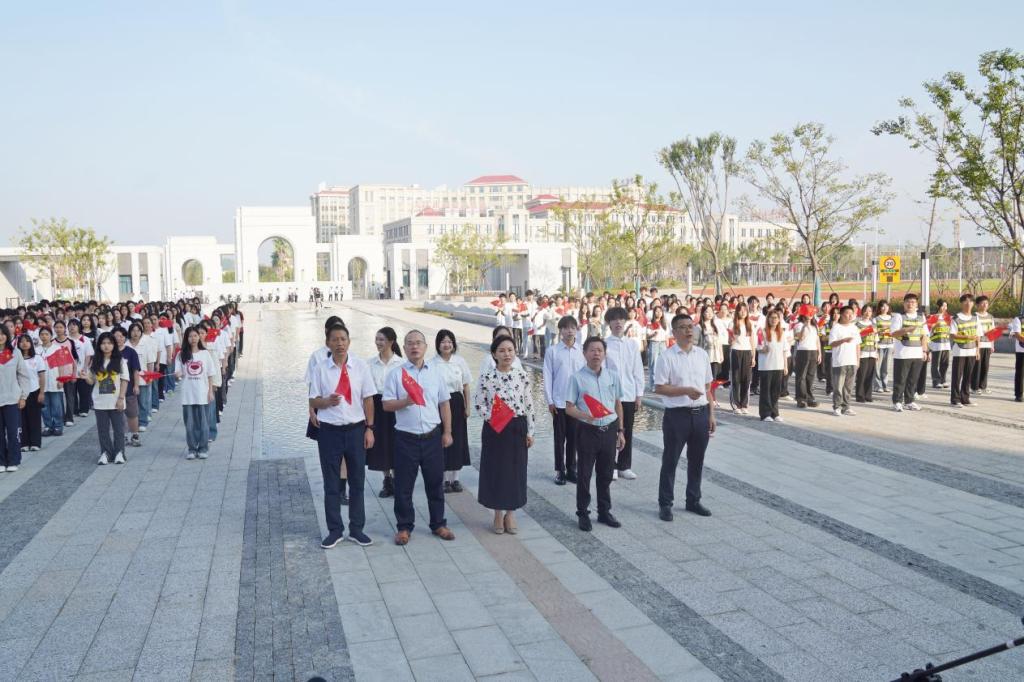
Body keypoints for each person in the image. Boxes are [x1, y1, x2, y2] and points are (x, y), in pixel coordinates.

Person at [382, 330, 455, 545]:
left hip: (432, 437)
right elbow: (386, 405)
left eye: (418, 343)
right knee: (404, 486)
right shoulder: (396, 374)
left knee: (435, 483)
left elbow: (444, 403)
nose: (414, 347)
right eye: (410, 343)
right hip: (406, 438)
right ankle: (404, 527)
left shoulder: (435, 373)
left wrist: (447, 432)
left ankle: (438, 523)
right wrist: (405, 402)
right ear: (404, 348)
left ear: (425, 347)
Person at [309, 323, 376, 549]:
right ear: (327, 343)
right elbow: (313, 400)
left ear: (349, 341)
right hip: (329, 432)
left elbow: (368, 398)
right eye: (335, 339)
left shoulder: (360, 366)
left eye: (343, 339)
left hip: (356, 430)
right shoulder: (320, 369)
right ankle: (334, 530)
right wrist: (326, 402)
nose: (340, 343)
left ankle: (357, 529)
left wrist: (370, 428)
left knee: (357, 481)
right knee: (331, 483)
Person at [654, 314, 715, 521]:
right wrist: (685, 391)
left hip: (701, 414)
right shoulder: (666, 357)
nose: (689, 331)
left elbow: (707, 388)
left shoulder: (702, 355)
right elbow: (659, 388)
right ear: (674, 332)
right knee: (670, 460)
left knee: (697, 460)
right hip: (677, 416)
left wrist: (711, 415)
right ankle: (665, 503)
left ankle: (693, 500)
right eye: (683, 327)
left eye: (691, 326)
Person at [474, 335, 535, 534]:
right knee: (496, 470)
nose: (506, 354)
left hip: (517, 427)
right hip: (495, 428)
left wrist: (531, 431)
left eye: (510, 350)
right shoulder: (487, 377)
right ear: (494, 354)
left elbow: (529, 404)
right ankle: (498, 513)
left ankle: (511, 513)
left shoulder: (522, 375)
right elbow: (479, 404)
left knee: (516, 471)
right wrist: (493, 417)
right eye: (501, 350)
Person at [565, 337, 625, 531]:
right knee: (584, 474)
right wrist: (585, 416)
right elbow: (569, 408)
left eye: (600, 350)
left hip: (609, 430)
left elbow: (618, 404)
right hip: (587, 431)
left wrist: (621, 431)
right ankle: (583, 513)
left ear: (605, 354)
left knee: (606, 474)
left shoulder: (613, 376)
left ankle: (604, 511)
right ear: (584, 353)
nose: (596, 353)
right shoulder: (576, 378)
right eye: (592, 350)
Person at [542, 316, 585, 485]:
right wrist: (549, 400)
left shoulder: (581, 351)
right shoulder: (552, 351)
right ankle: (560, 470)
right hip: (559, 402)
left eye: (572, 327)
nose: (569, 331)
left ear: (576, 330)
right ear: (560, 331)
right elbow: (547, 376)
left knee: (574, 438)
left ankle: (571, 469)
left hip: (575, 403)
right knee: (559, 439)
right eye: (566, 328)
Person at [603, 307, 643, 481]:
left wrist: (639, 394)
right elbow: (602, 370)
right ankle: (610, 465)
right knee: (611, 430)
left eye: (621, 319)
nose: (618, 322)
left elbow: (637, 370)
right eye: (614, 319)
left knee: (627, 429)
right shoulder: (604, 344)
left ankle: (624, 466)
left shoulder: (632, 344)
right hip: (610, 395)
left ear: (626, 322)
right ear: (609, 323)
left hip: (628, 393)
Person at [434, 330, 472, 493]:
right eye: (443, 341)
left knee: (458, 439)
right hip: (440, 403)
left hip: (457, 402)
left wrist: (467, 406)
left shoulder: (460, 361)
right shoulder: (432, 363)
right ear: (438, 344)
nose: (447, 344)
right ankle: (444, 480)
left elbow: (466, 386)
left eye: (449, 341)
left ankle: (455, 478)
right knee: (442, 439)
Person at [82, 332, 129, 465]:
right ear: (99, 346)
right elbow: (92, 381)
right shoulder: (96, 361)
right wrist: (86, 378)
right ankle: (106, 453)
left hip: (116, 400)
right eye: (103, 343)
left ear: (114, 345)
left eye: (109, 343)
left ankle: (119, 453)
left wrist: (121, 398)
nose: (106, 346)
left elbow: (125, 380)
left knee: (118, 429)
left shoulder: (120, 361)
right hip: (100, 401)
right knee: (103, 429)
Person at [367, 327, 403, 498]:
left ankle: (397, 480)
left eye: (381, 339)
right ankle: (386, 480)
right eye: (376, 339)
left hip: (396, 406)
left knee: (396, 442)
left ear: (391, 341)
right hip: (377, 406)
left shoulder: (402, 363)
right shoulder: (370, 363)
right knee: (381, 444)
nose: (378, 343)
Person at [174, 326, 215, 459]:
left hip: (202, 393)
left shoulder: (205, 354)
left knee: (204, 423)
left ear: (199, 337)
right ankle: (192, 449)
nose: (193, 338)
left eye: (195, 336)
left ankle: (203, 448)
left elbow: (210, 374)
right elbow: (178, 373)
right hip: (188, 394)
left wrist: (210, 391)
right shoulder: (181, 355)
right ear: (186, 338)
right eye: (190, 336)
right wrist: (177, 375)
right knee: (190, 424)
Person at [0, 327, 33, 472]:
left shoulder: (15, 353)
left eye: (2, 334)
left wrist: (23, 396)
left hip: (12, 398)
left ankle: (14, 460)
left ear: (7, 336)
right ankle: (1, 461)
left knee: (13, 432)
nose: (0, 337)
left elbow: (23, 376)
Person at [890, 293, 930, 412]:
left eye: (913, 302)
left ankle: (909, 401)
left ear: (916, 304)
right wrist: (907, 329)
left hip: (917, 353)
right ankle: (897, 401)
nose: (910, 304)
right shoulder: (899, 317)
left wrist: (925, 351)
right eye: (907, 301)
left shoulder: (921, 317)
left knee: (913, 380)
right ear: (904, 304)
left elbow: (924, 335)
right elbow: (894, 333)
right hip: (902, 354)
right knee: (900, 380)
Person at [756, 309, 790, 422]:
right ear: (768, 319)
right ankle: (765, 414)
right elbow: (758, 347)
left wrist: (785, 366)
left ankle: (775, 413)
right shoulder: (762, 332)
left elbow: (785, 350)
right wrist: (763, 349)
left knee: (776, 391)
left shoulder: (781, 333)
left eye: (776, 318)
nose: (774, 320)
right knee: (765, 390)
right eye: (771, 318)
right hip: (766, 366)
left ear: (779, 320)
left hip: (778, 365)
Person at [950, 293, 981, 408]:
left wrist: (977, 350)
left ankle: (965, 398)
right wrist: (966, 337)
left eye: (971, 301)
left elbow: (978, 335)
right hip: (959, 351)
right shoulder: (956, 318)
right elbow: (952, 335)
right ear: (961, 303)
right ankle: (955, 399)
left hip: (972, 351)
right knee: (957, 376)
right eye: (965, 301)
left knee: (968, 376)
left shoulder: (975, 318)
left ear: (973, 304)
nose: (968, 303)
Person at [829, 306, 860, 416]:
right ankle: (837, 407)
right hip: (840, 361)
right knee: (838, 386)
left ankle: (846, 407)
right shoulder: (836, 328)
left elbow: (858, 345)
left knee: (848, 387)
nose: (850, 315)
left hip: (852, 361)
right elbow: (832, 344)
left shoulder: (854, 328)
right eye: (847, 313)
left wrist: (858, 360)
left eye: (852, 313)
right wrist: (843, 340)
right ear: (841, 314)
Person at [17, 334, 46, 453]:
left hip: (34, 391)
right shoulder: (16, 358)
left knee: (34, 418)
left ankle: (35, 442)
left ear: (31, 343)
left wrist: (42, 392)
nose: (24, 343)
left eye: (27, 341)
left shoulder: (37, 358)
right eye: (22, 341)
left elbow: (42, 376)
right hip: (20, 393)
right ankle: (24, 443)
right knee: (21, 419)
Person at [37, 327, 67, 437]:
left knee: (56, 406)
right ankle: (48, 426)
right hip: (41, 382)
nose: (44, 336)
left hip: (55, 380)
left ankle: (58, 426)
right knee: (44, 406)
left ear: (51, 335)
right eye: (42, 334)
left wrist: (61, 379)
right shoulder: (36, 350)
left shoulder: (57, 348)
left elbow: (62, 365)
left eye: (46, 334)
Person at [729, 303, 755, 415]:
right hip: (736, 351)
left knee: (746, 379)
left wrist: (753, 356)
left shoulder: (750, 324)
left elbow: (752, 341)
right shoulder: (732, 324)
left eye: (745, 310)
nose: (743, 312)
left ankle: (744, 404)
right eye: (741, 310)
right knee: (735, 379)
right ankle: (736, 404)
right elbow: (730, 341)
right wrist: (732, 338)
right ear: (737, 311)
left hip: (747, 352)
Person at [792, 311, 821, 408]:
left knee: (810, 376)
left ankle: (809, 398)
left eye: (811, 314)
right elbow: (799, 338)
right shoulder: (799, 325)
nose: (809, 316)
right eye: (807, 314)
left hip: (813, 351)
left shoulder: (815, 327)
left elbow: (817, 340)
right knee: (801, 376)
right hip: (803, 351)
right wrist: (804, 327)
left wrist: (819, 353)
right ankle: (801, 398)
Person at [972, 295, 996, 394]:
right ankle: (974, 387)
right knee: (976, 367)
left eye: (986, 303)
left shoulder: (990, 316)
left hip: (987, 344)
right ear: (977, 305)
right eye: (983, 303)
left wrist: (992, 345)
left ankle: (983, 386)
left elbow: (993, 332)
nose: (985, 305)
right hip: (977, 345)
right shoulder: (974, 316)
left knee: (985, 367)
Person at [854, 305, 877, 403]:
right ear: (862, 312)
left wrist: (876, 352)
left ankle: (868, 395)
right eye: (866, 311)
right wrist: (866, 331)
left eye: (870, 311)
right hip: (862, 352)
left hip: (872, 352)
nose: (868, 313)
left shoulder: (873, 324)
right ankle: (860, 395)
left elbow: (876, 339)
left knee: (870, 375)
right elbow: (856, 337)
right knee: (862, 375)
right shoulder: (858, 324)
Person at [928, 300, 951, 389]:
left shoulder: (948, 317)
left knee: (945, 363)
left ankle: (943, 380)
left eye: (946, 306)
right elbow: (929, 330)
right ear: (938, 306)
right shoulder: (933, 317)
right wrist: (935, 325)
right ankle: (936, 381)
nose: (944, 308)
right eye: (943, 306)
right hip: (936, 344)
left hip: (946, 344)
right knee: (935, 364)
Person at [1010, 313, 1024, 402]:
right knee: (1020, 373)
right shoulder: (1018, 319)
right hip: (1021, 350)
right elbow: (1018, 335)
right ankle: (1019, 395)